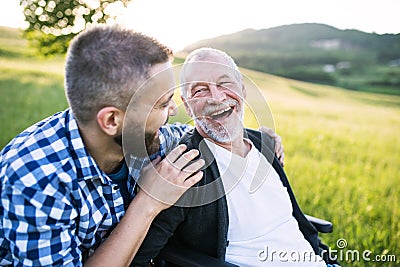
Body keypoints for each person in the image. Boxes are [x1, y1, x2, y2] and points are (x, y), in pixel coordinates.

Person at [0, 25, 283, 266]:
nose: (173, 110)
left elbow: (191, 131)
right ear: (111, 119)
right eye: (162, 104)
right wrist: (149, 201)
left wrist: (255, 137)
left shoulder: (147, 137)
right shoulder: (36, 180)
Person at [131, 48, 339, 266]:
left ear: (243, 90)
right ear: (188, 106)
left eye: (225, 83)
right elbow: (141, 258)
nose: (217, 97)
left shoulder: (264, 143)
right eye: (200, 90)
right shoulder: (185, 169)